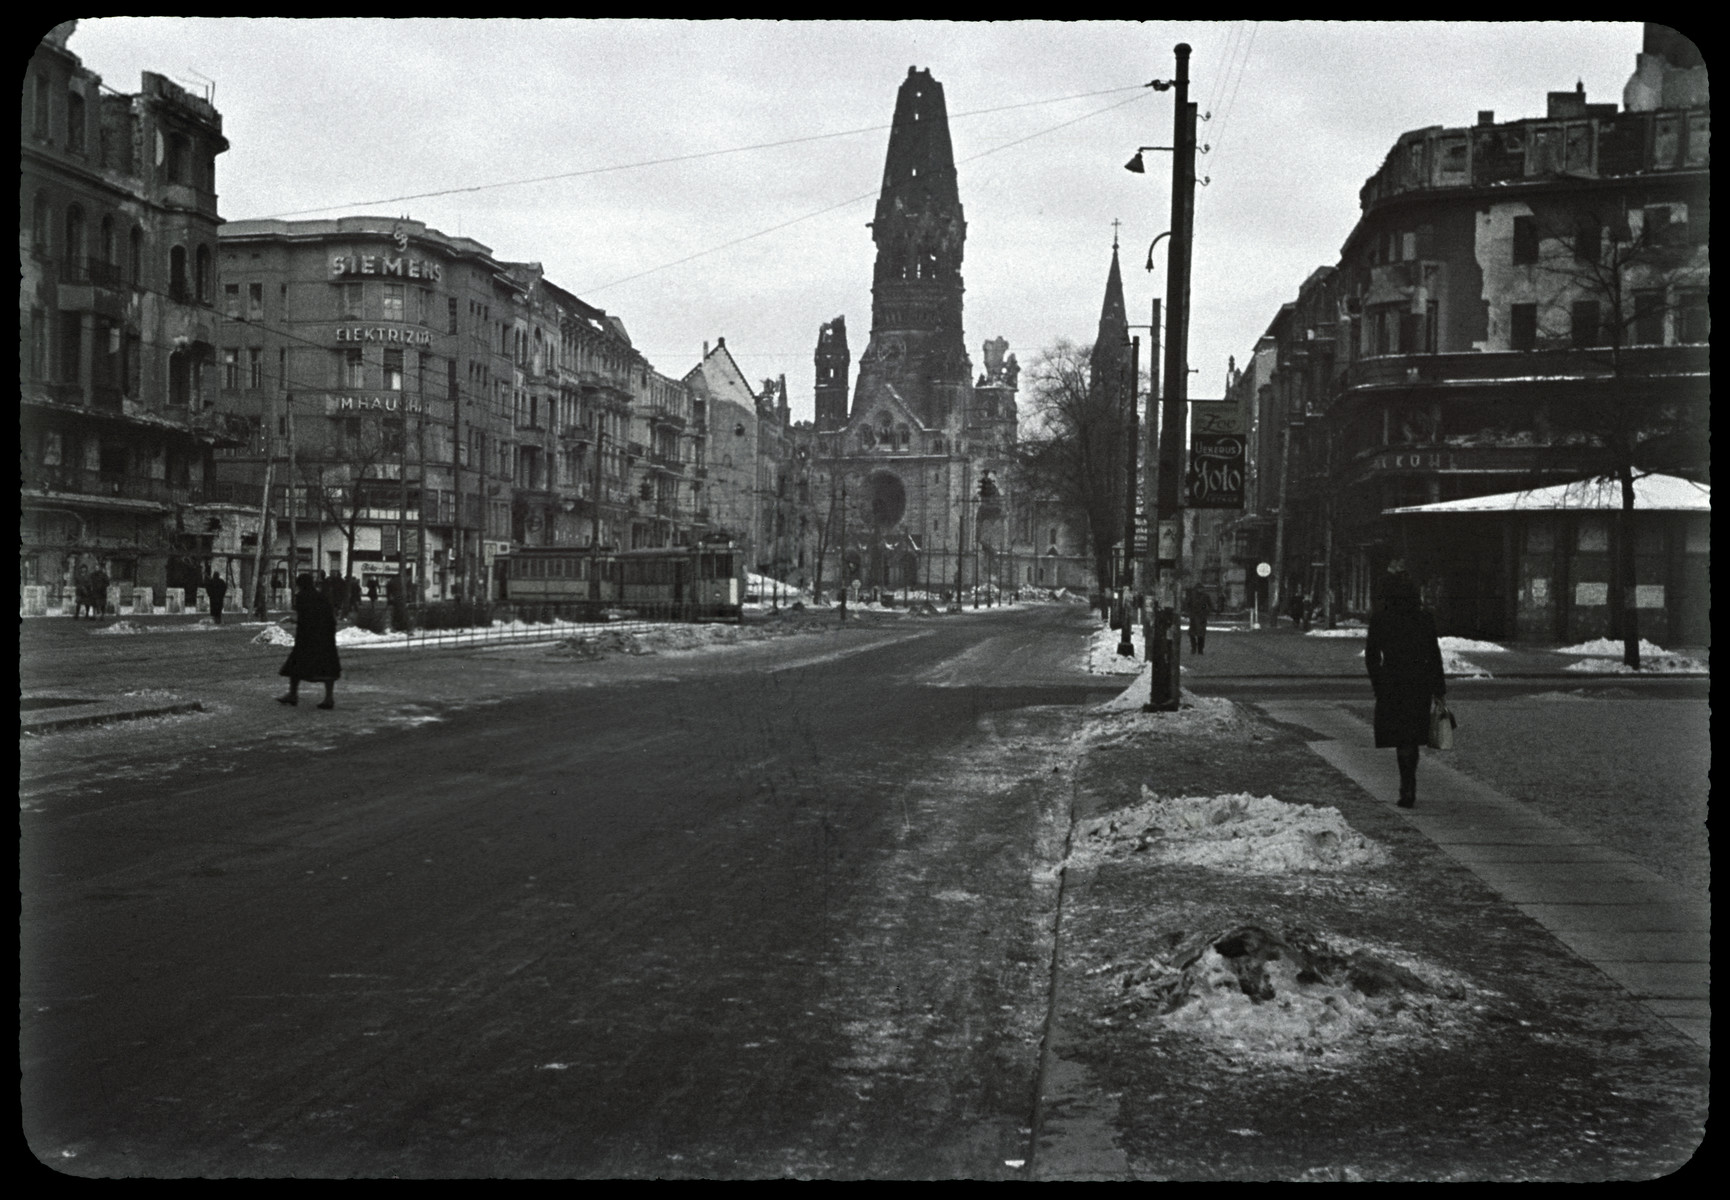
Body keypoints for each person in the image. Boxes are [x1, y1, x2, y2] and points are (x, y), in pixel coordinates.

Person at [1365, 569, 1445, 809]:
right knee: (1412, 737)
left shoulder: (1381, 618)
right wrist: (1438, 687)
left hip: (1392, 682)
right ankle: (1409, 782)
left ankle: (1406, 785)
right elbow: (1434, 654)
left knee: (1401, 738)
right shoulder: (1424, 618)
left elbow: (1371, 656)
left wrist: (1379, 683)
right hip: (1418, 683)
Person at [277, 573, 342, 710]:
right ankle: (328, 698)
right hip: (325, 635)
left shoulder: (302, 597)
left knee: (296, 664)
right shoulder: (322, 596)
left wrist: (294, 620)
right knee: (327, 666)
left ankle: (293, 694)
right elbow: (329, 616)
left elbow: (306, 617)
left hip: (308, 636)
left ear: (300, 584)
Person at [1187, 588, 1212, 655]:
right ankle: (1198, 649)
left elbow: (1187, 604)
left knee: (1196, 634)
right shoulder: (1204, 596)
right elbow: (1210, 605)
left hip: (1198, 616)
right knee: (1198, 634)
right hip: (1198, 617)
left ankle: (1195, 649)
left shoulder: (1193, 595)